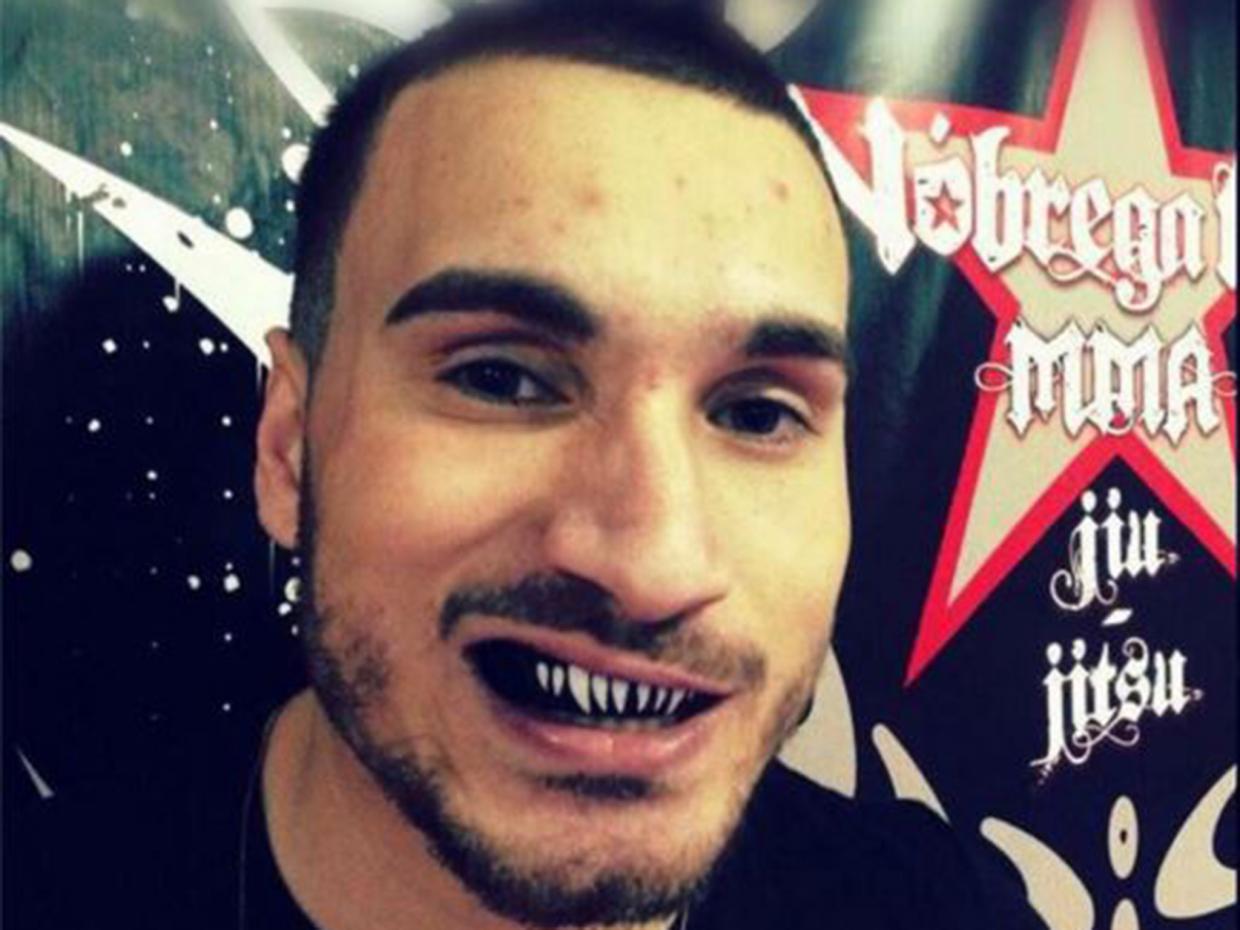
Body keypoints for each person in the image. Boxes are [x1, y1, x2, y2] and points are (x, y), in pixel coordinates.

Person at [13, 3, 1045, 928]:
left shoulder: (938, 909)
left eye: (756, 413)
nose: (653, 567)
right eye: (500, 379)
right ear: (288, 448)